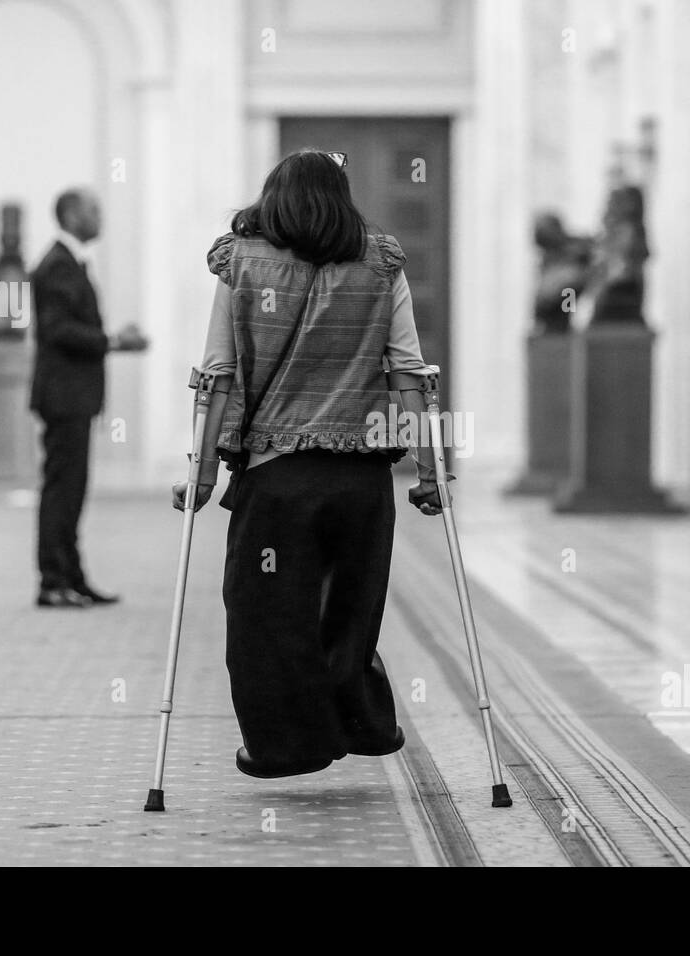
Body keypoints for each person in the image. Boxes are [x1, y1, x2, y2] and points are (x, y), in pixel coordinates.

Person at [171, 148, 444, 779]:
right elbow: (409, 374)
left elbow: (218, 375)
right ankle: (363, 724)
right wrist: (428, 474)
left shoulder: (240, 264)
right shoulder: (381, 264)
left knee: (267, 614)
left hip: (276, 476)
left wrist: (203, 475)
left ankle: (287, 744)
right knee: (349, 611)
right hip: (361, 478)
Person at [30, 187, 149, 608]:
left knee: (72, 488)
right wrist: (114, 340)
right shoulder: (57, 266)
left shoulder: (69, 262)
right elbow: (58, 330)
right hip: (64, 396)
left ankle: (72, 577)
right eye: (93, 210)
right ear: (71, 215)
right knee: (62, 489)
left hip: (73, 397)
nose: (101, 217)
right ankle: (53, 581)